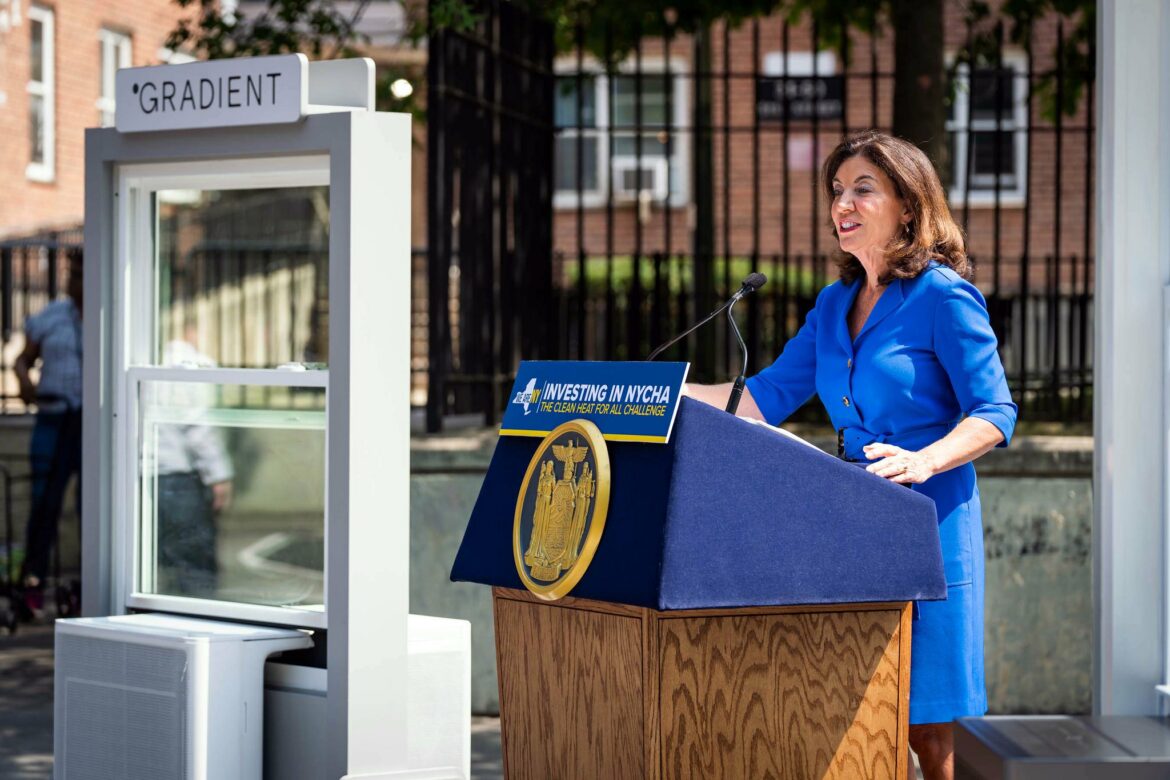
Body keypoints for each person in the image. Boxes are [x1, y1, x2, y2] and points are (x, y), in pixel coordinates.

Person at [686, 130, 1016, 780]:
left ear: (908, 206)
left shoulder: (942, 297)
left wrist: (926, 460)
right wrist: (657, 395)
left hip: (930, 521)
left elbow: (995, 412)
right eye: (838, 190)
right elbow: (765, 396)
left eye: (863, 188)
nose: (844, 201)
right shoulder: (834, 306)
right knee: (862, 709)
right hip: (851, 523)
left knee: (927, 728)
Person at [14, 248, 84, 617]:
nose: (75, 281)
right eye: (71, 273)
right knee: (44, 502)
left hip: (93, 426)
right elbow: (22, 358)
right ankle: (33, 582)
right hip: (54, 417)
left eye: (81, 273)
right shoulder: (53, 316)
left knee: (92, 505)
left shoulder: (114, 312)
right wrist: (25, 382)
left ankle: (91, 585)